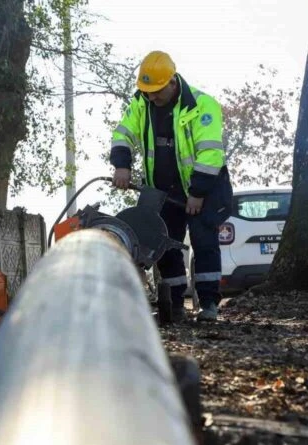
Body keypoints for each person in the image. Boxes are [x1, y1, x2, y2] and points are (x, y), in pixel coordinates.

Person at [109, 50, 233, 322]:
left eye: (156, 91)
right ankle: (174, 304)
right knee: (161, 245)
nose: (152, 97)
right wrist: (121, 165)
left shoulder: (203, 106)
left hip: (204, 187)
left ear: (172, 83)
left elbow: (211, 153)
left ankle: (209, 304)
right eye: (147, 91)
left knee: (204, 243)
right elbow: (123, 133)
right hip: (162, 191)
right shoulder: (141, 103)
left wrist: (197, 193)